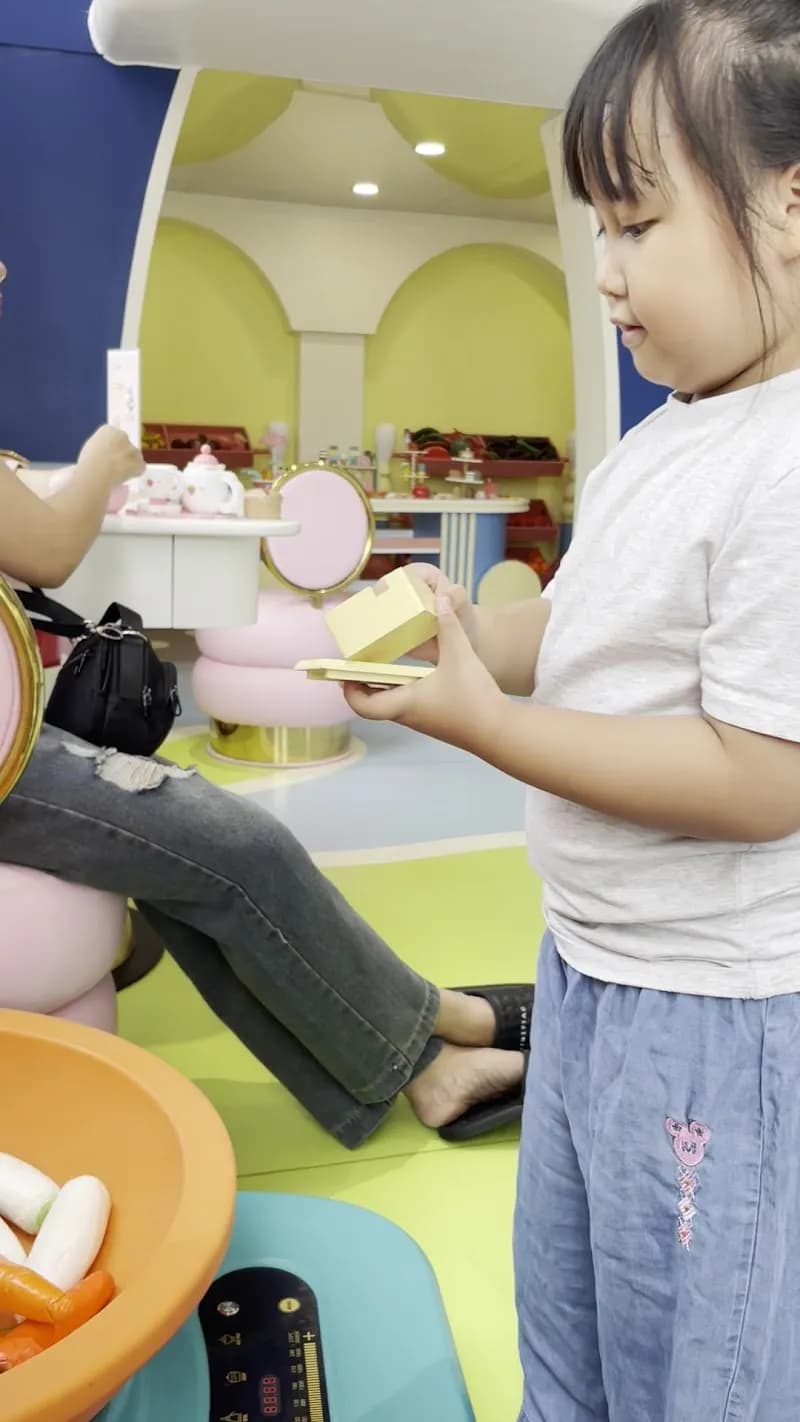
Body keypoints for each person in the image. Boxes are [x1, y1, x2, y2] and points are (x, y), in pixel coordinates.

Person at [343, 1, 800, 1415]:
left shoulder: (786, 460)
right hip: (588, 968)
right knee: (569, 1333)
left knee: (699, 1374)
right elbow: (582, 631)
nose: (605, 272)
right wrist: (465, 638)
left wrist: (483, 726)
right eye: (598, 227)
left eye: (638, 224)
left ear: (792, 207)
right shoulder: (663, 439)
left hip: (719, 1013)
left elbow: (761, 774)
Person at [0, 389, 532, 1151]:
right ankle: (434, 1046)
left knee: (199, 855)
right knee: (245, 848)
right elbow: (47, 549)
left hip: (15, 737)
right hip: (10, 760)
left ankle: (429, 1032)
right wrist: (99, 461)